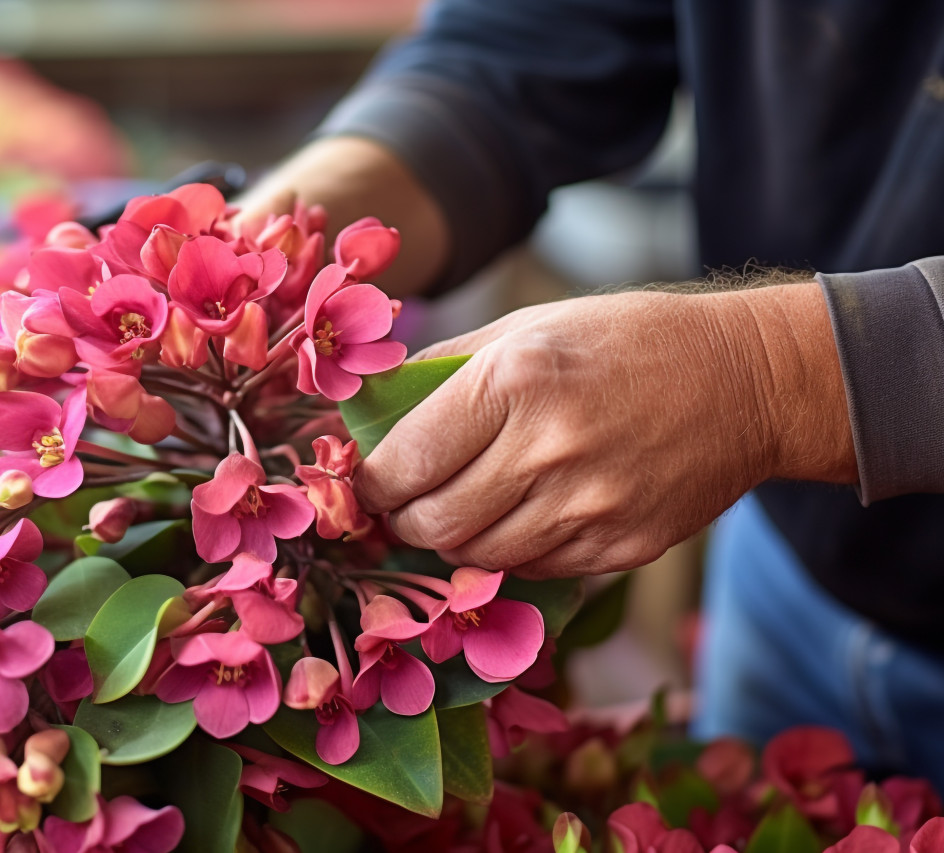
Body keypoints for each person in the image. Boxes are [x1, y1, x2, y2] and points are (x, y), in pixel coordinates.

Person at [237, 0, 944, 788]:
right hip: (793, 568)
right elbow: (539, 31)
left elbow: (769, 377)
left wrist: (768, 376)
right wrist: (294, 230)